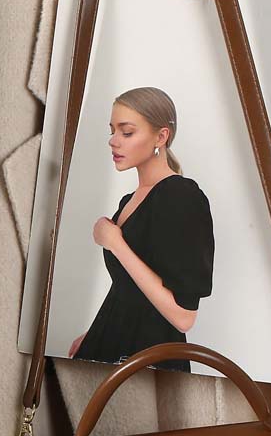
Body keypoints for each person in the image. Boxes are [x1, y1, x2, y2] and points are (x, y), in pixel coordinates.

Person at [70, 86, 214, 372]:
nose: (113, 141)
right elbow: (128, 290)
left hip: (150, 360)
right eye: (112, 131)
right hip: (109, 343)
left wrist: (116, 244)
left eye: (126, 132)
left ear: (161, 136)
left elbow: (183, 317)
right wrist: (95, 334)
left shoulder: (181, 197)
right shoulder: (129, 200)